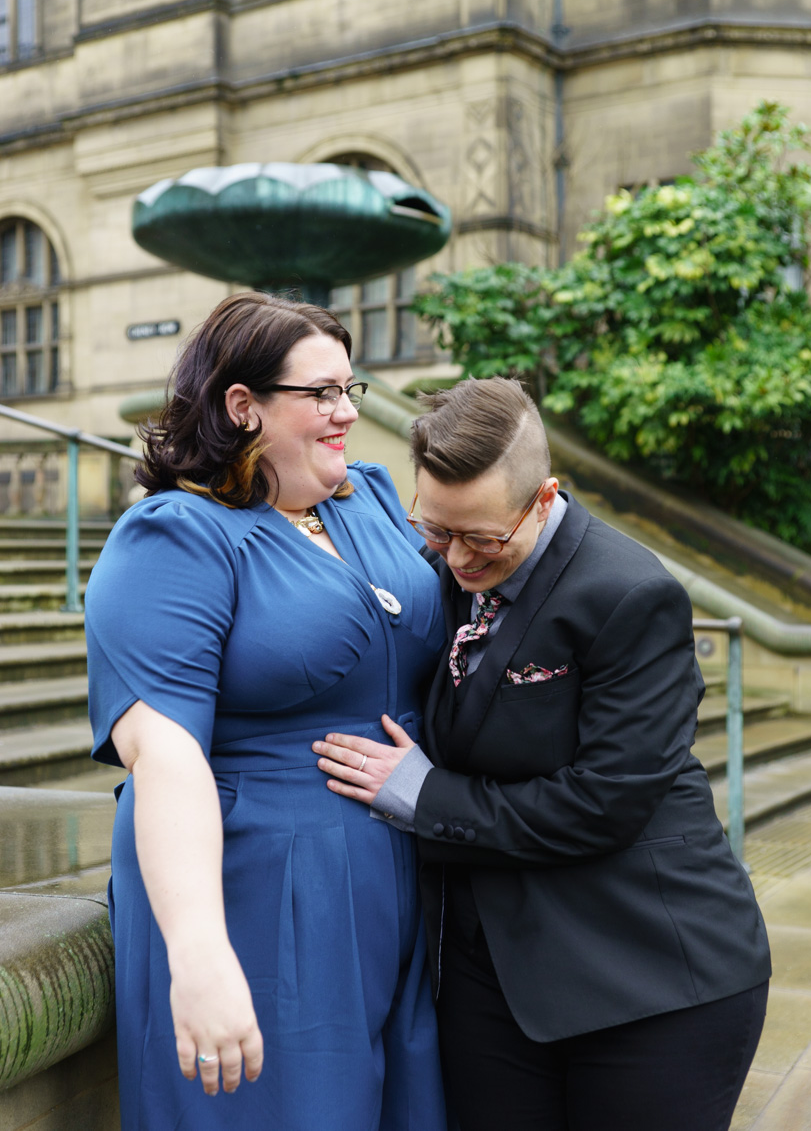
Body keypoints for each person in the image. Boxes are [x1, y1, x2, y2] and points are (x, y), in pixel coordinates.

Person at [314, 375, 771, 1131]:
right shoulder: (444, 569)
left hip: (647, 976)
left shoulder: (630, 594)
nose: (456, 560)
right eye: (436, 529)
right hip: (492, 978)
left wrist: (427, 797)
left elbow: (603, 803)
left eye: (484, 539)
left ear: (544, 497)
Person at [84, 292, 449, 1131]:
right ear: (242, 406)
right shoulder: (175, 537)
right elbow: (166, 756)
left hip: (401, 880)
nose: (347, 412)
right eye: (319, 394)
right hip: (264, 893)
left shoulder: (371, 497)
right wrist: (199, 951)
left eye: (349, 388)